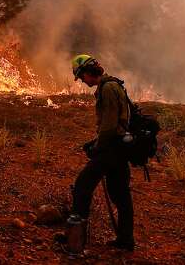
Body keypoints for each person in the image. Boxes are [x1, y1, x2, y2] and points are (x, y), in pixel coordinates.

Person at [66, 53, 135, 252]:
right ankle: (125, 240)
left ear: (88, 72)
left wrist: (97, 147)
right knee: (120, 194)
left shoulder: (108, 88)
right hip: (118, 148)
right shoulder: (110, 86)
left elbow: (109, 126)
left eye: (81, 76)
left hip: (111, 149)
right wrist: (94, 142)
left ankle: (75, 241)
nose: (81, 81)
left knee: (82, 186)